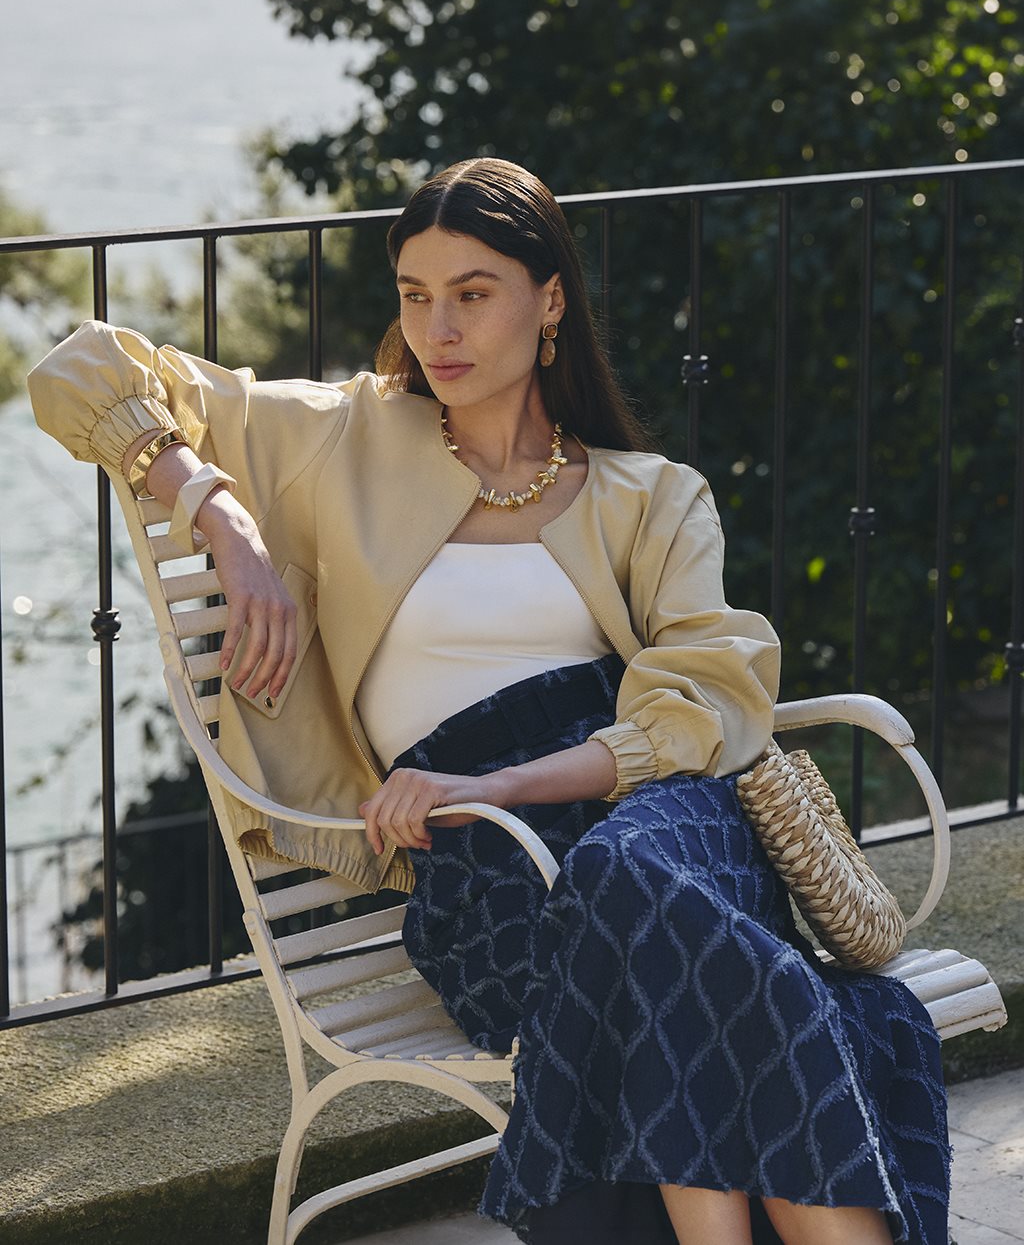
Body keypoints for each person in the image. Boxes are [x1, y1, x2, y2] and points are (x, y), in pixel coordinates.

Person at [28, 158, 949, 1245]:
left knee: (628, 876)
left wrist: (503, 778)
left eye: (472, 292)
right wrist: (224, 517)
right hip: (488, 869)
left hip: (655, 810)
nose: (437, 329)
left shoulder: (645, 494)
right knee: (688, 950)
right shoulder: (342, 437)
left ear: (548, 297)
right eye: (415, 295)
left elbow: (702, 699)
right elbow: (77, 368)